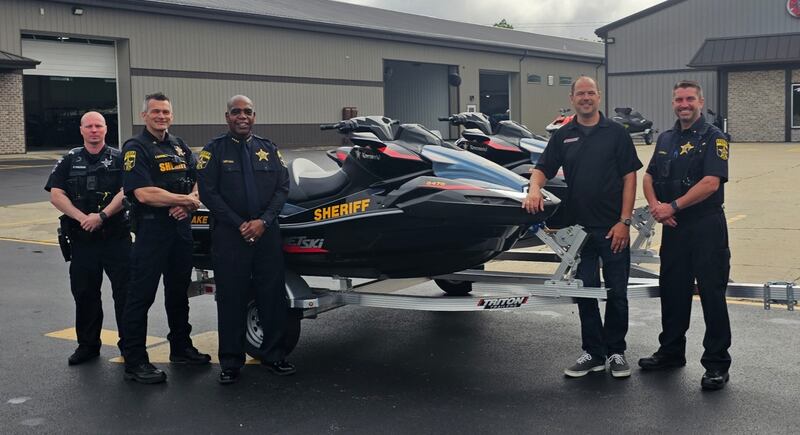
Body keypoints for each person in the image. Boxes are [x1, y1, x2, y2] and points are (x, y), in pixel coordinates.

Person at [522, 76, 642, 379]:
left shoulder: (616, 133)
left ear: (598, 96)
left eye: (591, 93)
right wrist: (534, 190)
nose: (586, 98)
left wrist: (624, 221)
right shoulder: (564, 135)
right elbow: (542, 169)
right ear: (572, 98)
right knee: (586, 292)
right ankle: (593, 352)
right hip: (580, 233)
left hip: (613, 228)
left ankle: (616, 352)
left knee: (617, 292)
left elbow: (630, 178)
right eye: (580, 94)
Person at [638, 80, 732, 391]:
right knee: (673, 291)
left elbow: (710, 183)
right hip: (674, 229)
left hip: (706, 227)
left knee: (712, 294)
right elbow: (649, 177)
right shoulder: (666, 138)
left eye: (689, 99)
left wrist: (672, 207)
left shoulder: (714, 138)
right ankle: (671, 352)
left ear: (700, 102)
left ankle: (717, 364)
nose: (684, 104)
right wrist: (655, 207)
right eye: (679, 99)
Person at [197, 95, 293, 385]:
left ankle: (274, 355)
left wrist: (262, 222)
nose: (242, 116)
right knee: (231, 299)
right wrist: (241, 224)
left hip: (266, 234)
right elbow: (208, 193)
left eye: (247, 112)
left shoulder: (269, 149)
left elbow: (283, 187)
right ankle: (230, 362)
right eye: (236, 112)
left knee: (271, 296)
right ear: (227, 117)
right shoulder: (213, 151)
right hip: (230, 236)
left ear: (254, 116)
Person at [120, 92, 210, 384]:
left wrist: (189, 200)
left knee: (177, 292)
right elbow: (142, 192)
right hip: (151, 231)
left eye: (166, 112)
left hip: (180, 230)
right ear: (144, 115)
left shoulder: (179, 145)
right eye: (156, 112)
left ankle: (181, 348)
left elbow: (199, 179)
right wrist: (183, 200)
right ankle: (135, 362)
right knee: (140, 296)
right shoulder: (136, 147)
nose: (161, 116)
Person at [45, 111, 131, 365]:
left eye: (98, 126)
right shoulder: (69, 160)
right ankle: (88, 346)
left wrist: (101, 216)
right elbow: (57, 194)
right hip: (83, 240)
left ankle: (130, 345)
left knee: (126, 294)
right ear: (81, 130)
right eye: (89, 126)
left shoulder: (119, 158)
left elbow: (127, 191)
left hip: (116, 237)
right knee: (85, 294)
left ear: (106, 129)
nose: (94, 130)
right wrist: (83, 217)